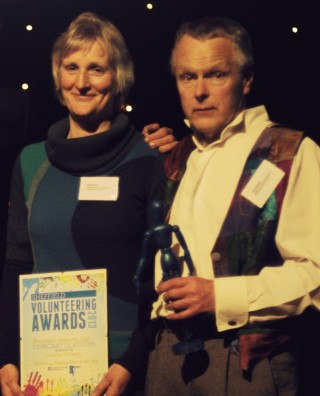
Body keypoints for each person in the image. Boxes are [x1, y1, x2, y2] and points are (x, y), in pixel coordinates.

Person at [140, 16, 320, 396]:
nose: (200, 91)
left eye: (216, 74)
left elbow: (315, 275)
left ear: (246, 79)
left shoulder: (289, 152)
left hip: (242, 362)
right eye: (188, 77)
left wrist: (221, 296)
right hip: (166, 359)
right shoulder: (174, 158)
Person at [0, 12, 176, 396]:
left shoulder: (151, 158)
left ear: (119, 80)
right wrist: (8, 355)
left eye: (96, 69)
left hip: (121, 371)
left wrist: (132, 360)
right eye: (71, 67)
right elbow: (18, 262)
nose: (82, 82)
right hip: (42, 373)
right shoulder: (30, 161)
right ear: (58, 79)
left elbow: (160, 275)